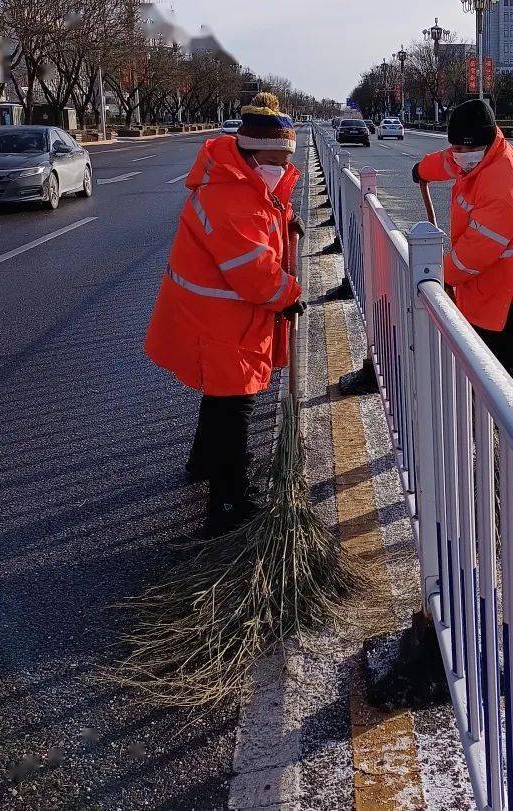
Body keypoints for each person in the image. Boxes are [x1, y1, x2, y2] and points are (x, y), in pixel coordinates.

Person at [145, 92, 305, 534]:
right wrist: (289, 294)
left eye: (285, 160)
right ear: (250, 156)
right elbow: (254, 274)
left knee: (220, 397)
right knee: (234, 404)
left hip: (223, 316)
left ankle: (202, 462)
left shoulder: (243, 183)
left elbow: (264, 211)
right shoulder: (226, 197)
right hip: (218, 320)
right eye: (275, 160)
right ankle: (229, 501)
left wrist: (284, 218)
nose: (281, 168)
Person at [412, 99, 513, 393]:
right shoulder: (475, 155)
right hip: (486, 288)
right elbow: (448, 160)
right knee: (479, 371)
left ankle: (507, 437)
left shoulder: (506, 180)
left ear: (486, 143)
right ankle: (482, 429)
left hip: (510, 299)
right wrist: (422, 170)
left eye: (465, 149)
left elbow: (473, 255)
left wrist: (439, 276)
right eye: (456, 148)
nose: (459, 156)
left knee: (504, 382)